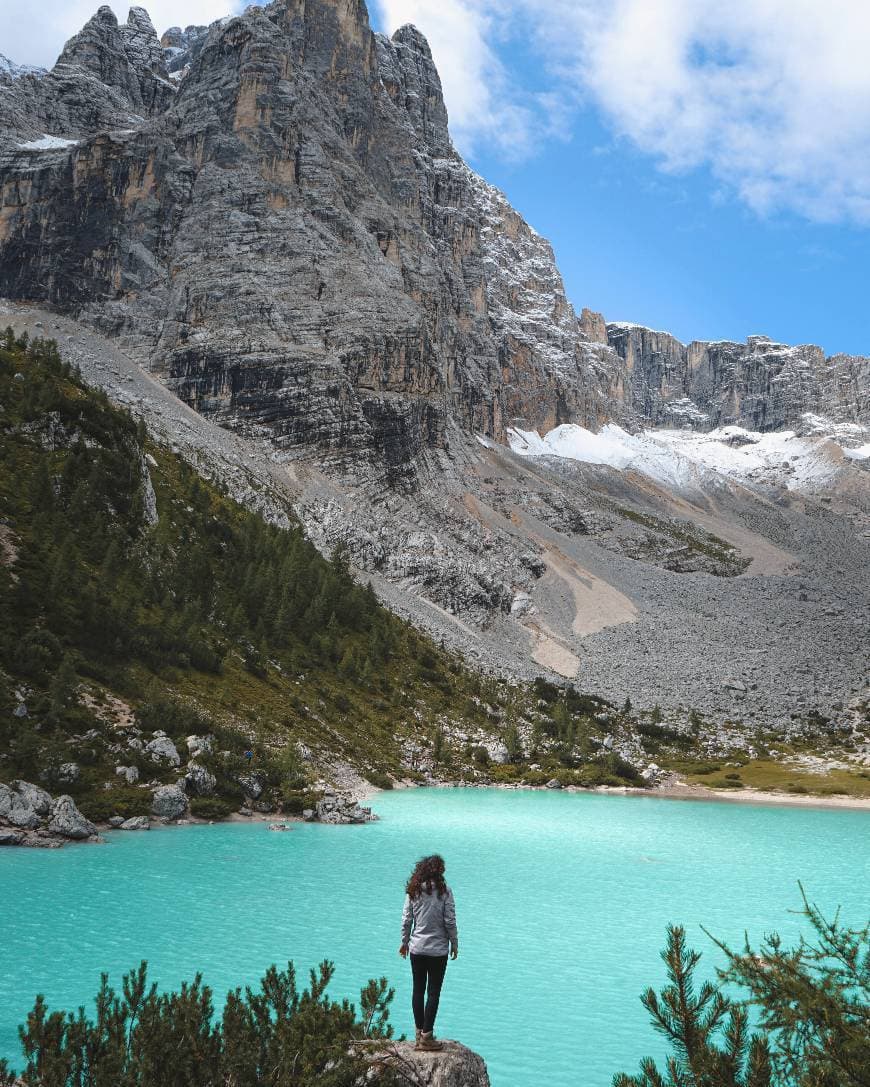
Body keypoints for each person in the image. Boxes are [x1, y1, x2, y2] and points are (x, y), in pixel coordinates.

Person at [399, 854, 458, 1051]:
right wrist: (454, 943)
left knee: (417, 990)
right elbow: (450, 921)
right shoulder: (445, 892)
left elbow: (407, 919)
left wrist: (404, 942)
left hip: (417, 948)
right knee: (433, 992)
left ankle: (418, 1034)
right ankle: (427, 1036)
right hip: (438, 951)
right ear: (439, 872)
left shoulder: (413, 891)